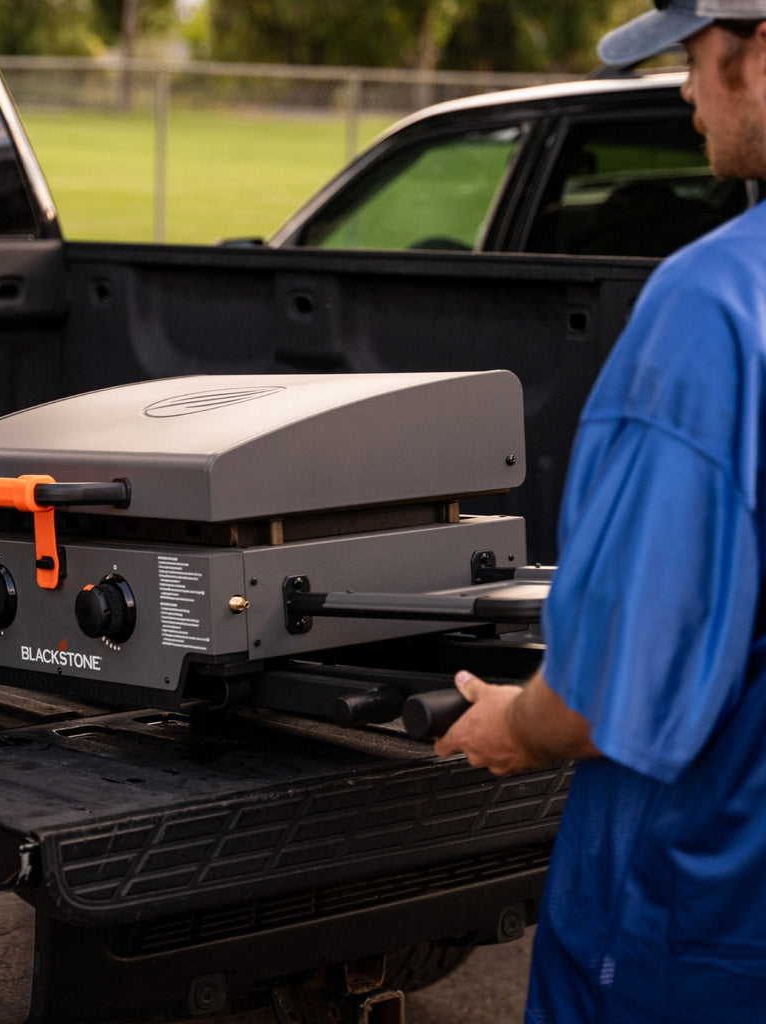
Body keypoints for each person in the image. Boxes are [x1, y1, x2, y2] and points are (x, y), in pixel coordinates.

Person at [433, 1, 766, 1020]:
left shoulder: (713, 305)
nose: (684, 88)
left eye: (697, 58)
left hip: (698, 916)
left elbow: (605, 695)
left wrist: (509, 725)